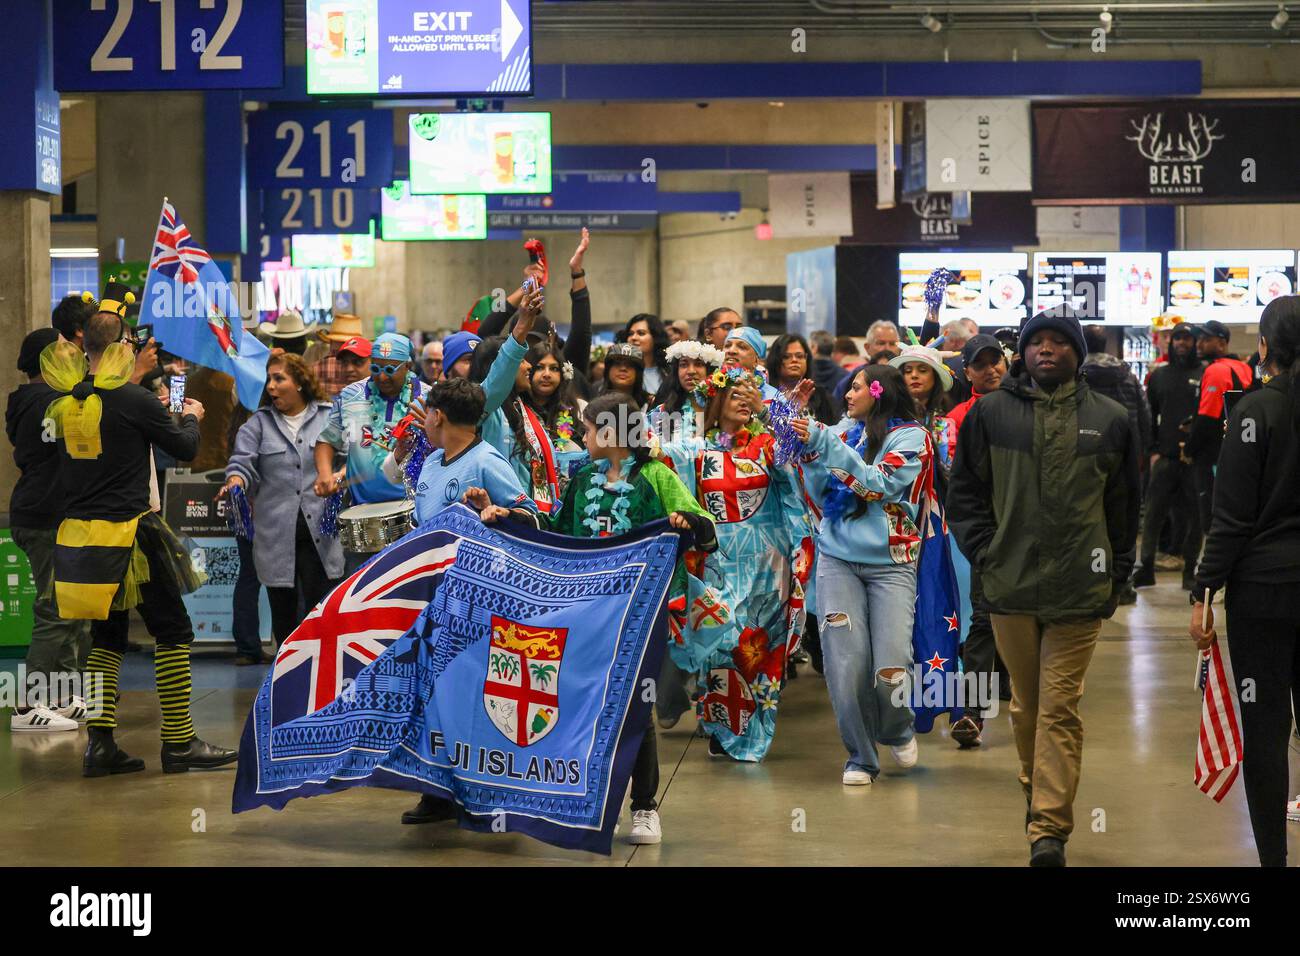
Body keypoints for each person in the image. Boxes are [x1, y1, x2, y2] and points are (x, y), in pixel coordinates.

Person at [479, 391, 717, 844]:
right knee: (577, 700)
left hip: (637, 616)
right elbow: (556, 531)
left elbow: (706, 529)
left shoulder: (656, 477)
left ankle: (644, 807)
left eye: (588, 428)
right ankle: (567, 794)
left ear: (610, 433)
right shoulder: (583, 478)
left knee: (635, 707)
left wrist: (685, 520)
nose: (582, 436)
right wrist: (509, 517)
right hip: (585, 613)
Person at [947, 307, 1140, 866]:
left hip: (1081, 585)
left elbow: (1125, 504)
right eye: (1038, 343)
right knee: (1027, 704)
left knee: (1060, 706)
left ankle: (1049, 829)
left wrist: (1116, 573)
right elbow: (966, 495)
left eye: (1060, 343)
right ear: (1023, 354)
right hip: (1009, 584)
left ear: (1077, 354)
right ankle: (1037, 783)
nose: (1047, 350)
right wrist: (986, 554)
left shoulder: (1110, 418)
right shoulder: (990, 414)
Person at [46, 300, 238, 777]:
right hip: (133, 535)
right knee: (173, 630)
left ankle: (101, 745)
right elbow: (186, 448)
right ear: (120, 347)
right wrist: (192, 414)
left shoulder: (64, 402)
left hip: (82, 537)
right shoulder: (134, 401)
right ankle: (178, 743)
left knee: (105, 639)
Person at [387, 376, 538, 828]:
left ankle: (490, 790)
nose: (424, 420)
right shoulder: (432, 462)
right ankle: (435, 790)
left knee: (473, 696)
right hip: (429, 599)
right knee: (429, 695)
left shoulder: (486, 461)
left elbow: (530, 515)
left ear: (440, 416)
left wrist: (496, 510)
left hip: (475, 602)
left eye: (427, 412)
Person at [1189, 295, 1300, 868]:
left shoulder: (1255, 411)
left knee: (1265, 730)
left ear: (1265, 347)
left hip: (1264, 595)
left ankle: (1274, 864)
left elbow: (1229, 517)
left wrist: (1202, 593)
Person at [657, 367, 812, 762]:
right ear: (716, 402)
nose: (743, 401)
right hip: (718, 563)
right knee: (720, 645)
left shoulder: (766, 445)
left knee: (759, 651)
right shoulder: (695, 449)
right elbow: (660, 461)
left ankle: (753, 729)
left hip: (767, 564)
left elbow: (797, 470)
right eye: (735, 395)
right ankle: (721, 721)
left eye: (750, 395)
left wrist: (799, 551)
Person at [790, 365, 933, 784]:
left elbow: (877, 485)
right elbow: (817, 492)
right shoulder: (838, 434)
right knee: (845, 664)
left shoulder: (912, 438)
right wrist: (800, 434)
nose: (846, 396)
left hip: (892, 564)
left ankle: (896, 727)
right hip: (836, 560)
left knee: (891, 667)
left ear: (879, 392)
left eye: (855, 388)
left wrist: (822, 442)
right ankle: (861, 757)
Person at [224, 354, 343, 646]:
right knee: (284, 618)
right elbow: (242, 462)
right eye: (269, 380)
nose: (272, 386)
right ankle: (285, 678)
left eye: (279, 378)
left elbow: (348, 459)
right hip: (276, 536)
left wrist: (338, 477)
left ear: (300, 383)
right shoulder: (258, 424)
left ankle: (320, 676)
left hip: (322, 535)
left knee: (322, 611)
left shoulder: (329, 417)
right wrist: (235, 481)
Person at [7, 329, 92, 732]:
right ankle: (26, 706)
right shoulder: (47, 403)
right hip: (46, 519)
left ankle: (61, 695)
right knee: (56, 610)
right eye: (64, 351)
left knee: (71, 609)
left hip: (42, 514)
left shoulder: (26, 402)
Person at [943, 333, 1010, 749]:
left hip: (1029, 532)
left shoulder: (1028, 406)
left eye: (996, 361)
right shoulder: (957, 418)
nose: (991, 370)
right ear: (966, 372)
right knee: (983, 621)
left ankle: (1037, 707)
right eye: (981, 364)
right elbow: (958, 484)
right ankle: (971, 711)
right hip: (986, 537)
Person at [314, 332, 428, 574]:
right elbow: (326, 441)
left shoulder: (428, 397)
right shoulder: (349, 396)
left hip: (416, 515)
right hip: (362, 516)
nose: (382, 377)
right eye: (375, 368)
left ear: (407, 366)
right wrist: (325, 474)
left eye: (390, 370)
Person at [468, 285, 561, 513]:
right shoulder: (485, 409)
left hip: (528, 515)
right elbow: (496, 382)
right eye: (520, 360)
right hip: (497, 516)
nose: (529, 365)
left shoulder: (523, 408)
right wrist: (520, 327)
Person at [1133, 323, 1205, 591]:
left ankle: (1189, 571)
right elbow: (1148, 416)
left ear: (1195, 343)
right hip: (1164, 458)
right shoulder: (1160, 376)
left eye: (1186, 339)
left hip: (1194, 460)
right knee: (1153, 515)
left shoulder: (1205, 373)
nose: (1181, 344)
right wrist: (1151, 450)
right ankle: (1146, 568)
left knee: (1195, 519)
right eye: (1177, 339)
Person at [1183, 319, 1255, 551]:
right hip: (1237, 453)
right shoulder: (1243, 368)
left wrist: (1189, 449)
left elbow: (1208, 417)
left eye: (1206, 339)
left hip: (1212, 457)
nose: (1199, 344)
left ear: (1222, 343)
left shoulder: (1216, 370)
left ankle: (1215, 578)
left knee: (1211, 521)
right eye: (1199, 339)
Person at [523, 341, 589, 491]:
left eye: (554, 368)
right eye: (539, 368)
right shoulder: (518, 410)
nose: (547, 374)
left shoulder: (580, 409)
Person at [890, 345, 954, 480]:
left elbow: (949, 467)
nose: (914, 375)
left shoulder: (945, 422)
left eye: (923, 370)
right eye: (908, 371)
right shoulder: (889, 416)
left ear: (935, 377)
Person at [649, 340, 725, 442]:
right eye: (684, 365)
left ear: (709, 371)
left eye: (699, 364)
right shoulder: (662, 411)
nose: (691, 371)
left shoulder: (724, 409)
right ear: (677, 372)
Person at [768, 333, 836, 424]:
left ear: (807, 359)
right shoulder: (766, 394)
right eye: (786, 357)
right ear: (775, 360)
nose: (794, 360)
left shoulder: (819, 395)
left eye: (799, 356)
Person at [621, 313, 671, 398]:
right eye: (630, 334)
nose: (633, 338)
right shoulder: (622, 370)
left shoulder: (669, 370)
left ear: (655, 337)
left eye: (641, 333)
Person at [722, 327, 779, 400]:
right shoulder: (709, 389)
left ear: (756, 361)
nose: (731, 350)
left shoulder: (774, 398)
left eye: (742, 347)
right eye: (727, 345)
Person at [314, 332, 372, 400]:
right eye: (344, 363)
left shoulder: (383, 400)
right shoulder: (335, 403)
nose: (349, 369)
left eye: (357, 362)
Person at [599, 342, 653, 409]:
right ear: (608, 370)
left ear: (638, 373)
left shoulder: (650, 403)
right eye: (617, 364)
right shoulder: (594, 400)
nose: (623, 368)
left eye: (630, 365)